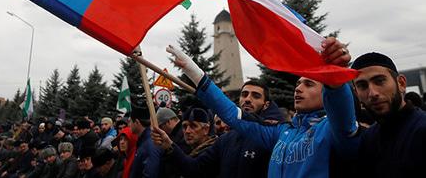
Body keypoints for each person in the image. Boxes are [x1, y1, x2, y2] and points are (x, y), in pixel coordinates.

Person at [161, 38, 359, 178]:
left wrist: (334, 79)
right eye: (298, 83)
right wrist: (194, 72)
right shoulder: (282, 132)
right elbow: (233, 115)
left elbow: (341, 107)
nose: (298, 88)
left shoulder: (334, 129)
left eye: (309, 84)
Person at [153, 79, 285, 178]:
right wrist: (169, 147)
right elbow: (195, 169)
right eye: (244, 94)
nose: (248, 99)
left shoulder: (274, 138)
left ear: (266, 104)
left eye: (256, 96)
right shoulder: (226, 140)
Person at [351, 52, 426, 177]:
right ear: (356, 93)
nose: (372, 93)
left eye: (379, 81)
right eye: (363, 86)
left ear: (401, 83)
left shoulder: (421, 130)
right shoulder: (368, 138)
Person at [128, 103, 163, 178]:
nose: (129, 125)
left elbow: (150, 174)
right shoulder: (144, 141)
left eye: (130, 121)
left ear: (137, 122)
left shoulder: (151, 143)